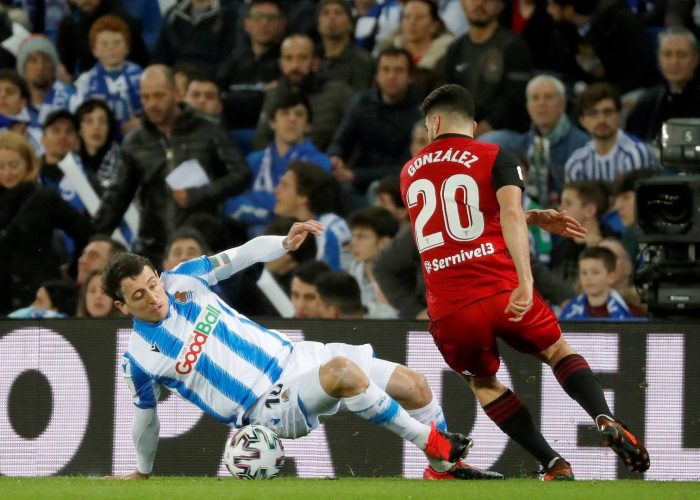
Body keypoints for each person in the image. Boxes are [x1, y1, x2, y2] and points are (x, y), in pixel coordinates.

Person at [102, 220, 500, 480]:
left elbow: (242, 255)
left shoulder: (184, 279)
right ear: (122, 307)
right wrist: (142, 472)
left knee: (415, 385)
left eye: (152, 284)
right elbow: (146, 419)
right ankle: (429, 442)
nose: (153, 297)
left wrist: (283, 242)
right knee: (344, 374)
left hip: (298, 357)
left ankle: (444, 470)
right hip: (265, 407)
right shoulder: (139, 358)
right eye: (139, 295)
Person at [400, 84, 650, 479]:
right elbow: (507, 214)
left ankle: (552, 462)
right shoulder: (495, 153)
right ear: (474, 124)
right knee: (555, 350)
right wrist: (526, 279)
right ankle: (604, 416)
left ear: (433, 122)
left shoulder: (409, 171)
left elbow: (455, 223)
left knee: (483, 383)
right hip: (502, 289)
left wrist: (529, 217)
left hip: (451, 307)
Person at [93, 65, 251, 266]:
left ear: (177, 93)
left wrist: (198, 194)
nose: (152, 104)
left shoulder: (208, 130)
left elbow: (242, 174)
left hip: (202, 244)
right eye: (146, 97)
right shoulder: (134, 142)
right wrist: (95, 240)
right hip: (153, 248)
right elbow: (116, 198)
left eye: (159, 96)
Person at [0, 130, 94, 314]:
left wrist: (74, 269)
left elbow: (86, 233)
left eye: (13, 165)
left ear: (28, 164)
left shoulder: (43, 198)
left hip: (40, 296)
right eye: (1, 166)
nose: (7, 173)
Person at [225, 91, 332, 237]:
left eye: (299, 114)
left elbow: (309, 210)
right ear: (272, 122)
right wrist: (280, 207)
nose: (292, 119)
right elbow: (231, 205)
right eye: (285, 113)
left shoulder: (319, 163)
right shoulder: (253, 161)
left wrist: (256, 197)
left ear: (308, 126)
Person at [327, 47, 422, 201]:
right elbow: (340, 141)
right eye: (385, 70)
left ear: (409, 76)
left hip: (395, 186)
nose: (391, 76)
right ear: (377, 75)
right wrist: (334, 157)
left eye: (398, 70)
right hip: (354, 178)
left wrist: (355, 176)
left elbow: (406, 167)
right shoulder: (362, 103)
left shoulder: (418, 114)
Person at [479, 74, 589, 208]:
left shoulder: (582, 145)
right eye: (535, 98)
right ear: (528, 106)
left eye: (548, 97)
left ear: (562, 104)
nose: (541, 103)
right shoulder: (520, 144)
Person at [440, 0, 533, 134]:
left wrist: (479, 130)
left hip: (504, 131)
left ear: (500, 6)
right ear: (462, 4)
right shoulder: (455, 49)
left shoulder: (514, 47)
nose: (480, 3)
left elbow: (514, 101)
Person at [253, 33, 355, 151]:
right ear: (281, 63)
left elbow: (357, 135)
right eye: (288, 58)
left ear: (315, 62)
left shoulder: (338, 93)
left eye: (302, 58)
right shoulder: (274, 94)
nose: (295, 65)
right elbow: (261, 140)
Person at [565, 83, 659, 184]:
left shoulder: (636, 154)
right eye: (593, 113)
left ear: (619, 115)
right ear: (583, 120)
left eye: (607, 112)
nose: (601, 120)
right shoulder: (576, 163)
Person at [626, 26, 700, 143]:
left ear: (696, 59)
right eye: (667, 54)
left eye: (682, 55)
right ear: (659, 59)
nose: (674, 61)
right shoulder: (649, 100)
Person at [274, 161, 351, 271]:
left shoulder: (331, 231)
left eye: (284, 185)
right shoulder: (289, 229)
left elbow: (334, 284)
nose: (276, 190)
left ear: (303, 197)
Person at [74, 15, 143, 135]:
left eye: (117, 43)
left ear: (127, 47)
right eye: (104, 44)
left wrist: (141, 123)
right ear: (94, 50)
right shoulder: (86, 81)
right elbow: (80, 117)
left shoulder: (140, 76)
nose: (111, 48)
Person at [152, 0, 238, 77]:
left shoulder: (228, 14)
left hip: (211, 80)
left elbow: (230, 59)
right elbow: (159, 58)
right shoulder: (173, 15)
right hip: (177, 79)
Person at [558, 247, 645, 320]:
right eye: (584, 273)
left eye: (595, 272)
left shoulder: (632, 314)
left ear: (611, 277)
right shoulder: (568, 312)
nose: (588, 278)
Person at [16, 34, 77, 132]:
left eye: (46, 60)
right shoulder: (13, 102)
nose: (40, 67)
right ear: (23, 69)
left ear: (54, 67)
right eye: (33, 61)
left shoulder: (71, 99)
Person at [348, 206, 399, 318]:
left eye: (361, 237)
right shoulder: (354, 270)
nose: (353, 244)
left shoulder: (399, 275)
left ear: (385, 242)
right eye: (353, 236)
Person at [317, 0, 374, 91]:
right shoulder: (313, 60)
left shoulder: (362, 61)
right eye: (325, 13)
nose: (331, 17)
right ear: (318, 25)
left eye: (338, 13)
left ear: (350, 24)